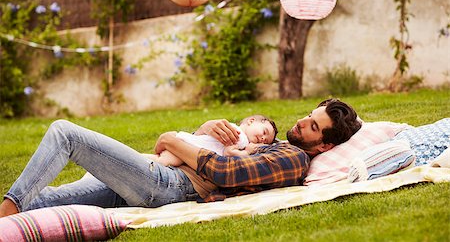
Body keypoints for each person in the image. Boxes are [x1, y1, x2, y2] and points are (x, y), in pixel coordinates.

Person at [0, 98, 360, 218]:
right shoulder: (271, 141)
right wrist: (202, 130)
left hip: (169, 185)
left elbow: (223, 169)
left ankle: (7, 207)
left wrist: (170, 137)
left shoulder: (293, 159)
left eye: (313, 126)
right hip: (159, 174)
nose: (301, 121)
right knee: (43, 201)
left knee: (66, 133)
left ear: (324, 146)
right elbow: (212, 151)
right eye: (309, 115)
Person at [146, 114, 278, 166]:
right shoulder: (241, 138)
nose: (262, 138)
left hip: (187, 141)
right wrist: (246, 153)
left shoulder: (230, 125)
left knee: (155, 159)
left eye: (265, 141)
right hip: (187, 148)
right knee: (158, 163)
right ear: (251, 121)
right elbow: (228, 152)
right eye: (264, 132)